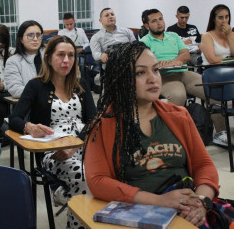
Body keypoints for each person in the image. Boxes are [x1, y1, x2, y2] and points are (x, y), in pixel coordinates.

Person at [84, 41, 219, 228]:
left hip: (189, 208)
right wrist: (160, 201)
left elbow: (203, 165)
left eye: (155, 70)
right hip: (142, 212)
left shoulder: (179, 115)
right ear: (122, 79)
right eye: (140, 72)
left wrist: (202, 202)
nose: (153, 79)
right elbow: (97, 181)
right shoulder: (103, 126)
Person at [9, 35, 96, 228]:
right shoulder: (36, 85)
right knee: (82, 177)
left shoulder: (81, 85)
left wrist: (75, 145)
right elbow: (14, 119)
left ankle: (71, 201)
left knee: (105, 174)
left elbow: (93, 121)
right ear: (48, 58)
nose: (66, 60)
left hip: (83, 144)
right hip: (53, 150)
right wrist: (29, 127)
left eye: (71, 55)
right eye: (61, 55)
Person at [140, 9, 227, 146]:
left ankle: (221, 133)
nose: (159, 23)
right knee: (178, 95)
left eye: (160, 19)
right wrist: (158, 63)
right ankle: (173, 135)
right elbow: (145, 63)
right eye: (154, 21)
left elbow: (185, 54)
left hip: (183, 72)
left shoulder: (173, 36)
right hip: (163, 76)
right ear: (147, 26)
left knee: (214, 90)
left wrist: (175, 61)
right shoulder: (144, 41)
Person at [90, 8, 136, 93]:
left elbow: (136, 46)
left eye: (112, 14)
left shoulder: (127, 31)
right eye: (107, 15)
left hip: (130, 64)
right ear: (101, 20)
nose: (110, 17)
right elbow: (95, 53)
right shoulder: (96, 37)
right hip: (112, 67)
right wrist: (101, 55)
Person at [4, 20, 45, 98]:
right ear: (21, 39)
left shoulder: (49, 56)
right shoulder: (13, 61)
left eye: (38, 35)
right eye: (30, 35)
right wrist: (43, 92)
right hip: (30, 106)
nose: (35, 39)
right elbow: (15, 90)